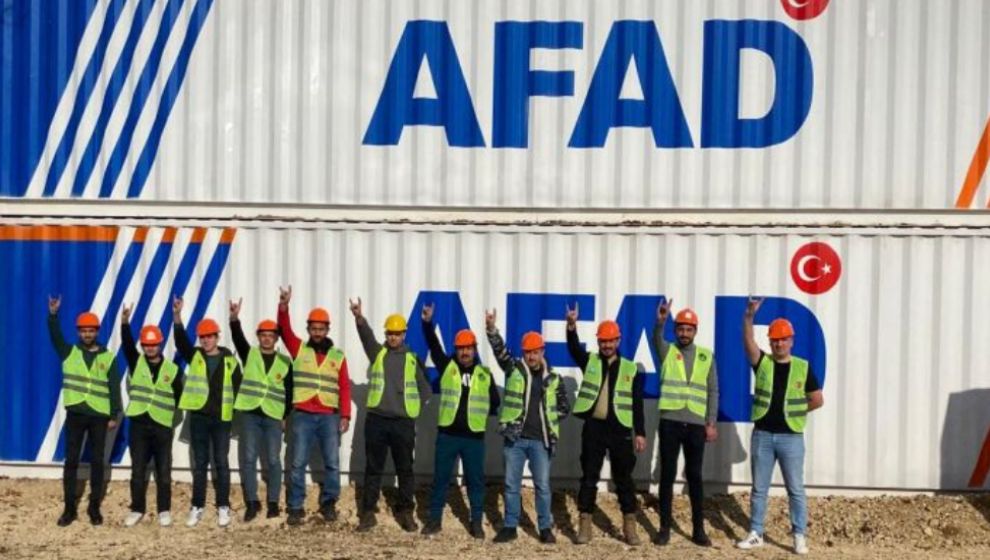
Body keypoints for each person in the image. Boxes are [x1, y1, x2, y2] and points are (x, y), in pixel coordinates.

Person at [736, 297, 824, 556]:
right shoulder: (762, 362)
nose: (778, 343)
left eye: (783, 339)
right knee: (759, 489)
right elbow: (748, 343)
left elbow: (817, 399)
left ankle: (799, 535)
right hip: (763, 435)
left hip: (791, 438)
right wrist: (749, 317)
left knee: (795, 489)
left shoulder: (803, 367)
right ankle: (756, 533)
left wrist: (792, 411)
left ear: (791, 341)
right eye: (774, 339)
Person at [486, 309, 570, 545]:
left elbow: (565, 407)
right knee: (512, 485)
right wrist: (492, 330)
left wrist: (548, 418)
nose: (532, 356)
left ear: (542, 351)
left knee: (542, 486)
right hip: (515, 439)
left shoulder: (553, 379)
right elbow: (500, 351)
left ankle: (544, 527)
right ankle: (510, 526)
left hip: (541, 442)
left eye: (535, 352)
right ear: (523, 353)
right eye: (528, 352)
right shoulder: (514, 369)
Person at [565, 303, 646, 546]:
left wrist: (639, 433)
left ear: (618, 341)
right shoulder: (590, 361)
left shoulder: (632, 369)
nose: (606, 345)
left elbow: (637, 405)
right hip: (594, 428)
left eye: (610, 341)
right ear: (598, 342)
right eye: (603, 341)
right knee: (589, 477)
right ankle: (585, 525)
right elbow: (573, 348)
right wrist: (571, 326)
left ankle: (629, 527)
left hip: (620, 430)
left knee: (624, 479)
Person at [351, 298, 432, 533]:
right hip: (376, 420)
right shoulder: (378, 354)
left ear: (404, 334)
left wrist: (412, 410)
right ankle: (368, 513)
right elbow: (367, 338)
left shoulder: (412, 359)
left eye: (397, 333)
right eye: (390, 333)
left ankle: (405, 511)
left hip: (402, 423)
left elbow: (425, 389)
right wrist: (359, 318)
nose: (393, 337)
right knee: (373, 468)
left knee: (405, 469)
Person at [419, 303, 500, 539]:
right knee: (441, 480)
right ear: (456, 350)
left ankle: (476, 522)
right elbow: (434, 346)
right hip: (448, 435)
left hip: (474, 438)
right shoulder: (447, 366)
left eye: (469, 348)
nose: (465, 352)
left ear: (475, 349)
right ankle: (434, 520)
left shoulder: (485, 375)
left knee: (476, 482)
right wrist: (426, 323)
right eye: (460, 348)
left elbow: (494, 402)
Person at [277, 286, 351, 526]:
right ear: (308, 329)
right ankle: (296, 506)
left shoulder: (338, 356)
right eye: (314, 328)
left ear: (328, 329)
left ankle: (329, 503)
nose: (317, 332)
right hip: (302, 415)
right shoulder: (299, 348)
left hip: (329, 416)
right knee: (297, 462)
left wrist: (346, 415)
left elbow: (345, 387)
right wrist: (284, 306)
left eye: (321, 328)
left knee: (332, 462)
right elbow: (284, 330)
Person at [47, 296, 122, 527]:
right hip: (76, 414)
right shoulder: (69, 352)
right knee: (71, 461)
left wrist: (113, 414)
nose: (87, 334)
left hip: (99, 416)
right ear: (79, 332)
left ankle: (94, 508)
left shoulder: (108, 357)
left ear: (97, 331)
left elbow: (113, 386)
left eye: (91, 330)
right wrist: (52, 315)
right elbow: (55, 337)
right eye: (83, 330)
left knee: (98, 462)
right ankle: (69, 509)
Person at [653, 299, 719, 546]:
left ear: (695, 331)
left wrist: (710, 422)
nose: (684, 333)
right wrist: (660, 321)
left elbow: (713, 391)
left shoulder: (706, 356)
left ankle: (698, 530)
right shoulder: (667, 350)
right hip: (670, 421)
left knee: (695, 476)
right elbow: (655, 337)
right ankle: (664, 529)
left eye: (688, 329)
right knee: (667, 475)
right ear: (675, 330)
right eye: (680, 328)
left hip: (695, 425)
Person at [173, 295, 242, 528]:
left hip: (222, 419)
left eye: (209, 336)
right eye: (202, 337)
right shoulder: (196, 356)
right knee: (200, 463)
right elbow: (181, 342)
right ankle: (197, 506)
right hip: (199, 418)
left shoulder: (230, 360)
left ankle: (223, 506)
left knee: (221, 463)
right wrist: (177, 316)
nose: (205, 340)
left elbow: (240, 388)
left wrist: (234, 318)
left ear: (217, 337)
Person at [229, 298, 293, 521]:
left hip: (273, 415)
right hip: (250, 414)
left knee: (274, 460)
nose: (267, 338)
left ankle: (273, 502)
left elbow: (290, 391)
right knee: (248, 458)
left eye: (271, 335)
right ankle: (252, 502)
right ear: (259, 337)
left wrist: (285, 416)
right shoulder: (251, 355)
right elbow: (238, 339)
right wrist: (234, 318)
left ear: (276, 338)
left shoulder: (285, 362)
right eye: (263, 335)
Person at [120, 304, 183, 528]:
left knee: (163, 471)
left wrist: (166, 416)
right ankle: (137, 509)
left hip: (162, 426)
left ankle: (164, 510)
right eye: (146, 345)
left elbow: (179, 396)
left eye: (153, 344)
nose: (150, 348)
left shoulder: (173, 370)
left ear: (160, 344)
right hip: (138, 424)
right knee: (137, 470)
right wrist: (125, 322)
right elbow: (127, 345)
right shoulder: (136, 362)